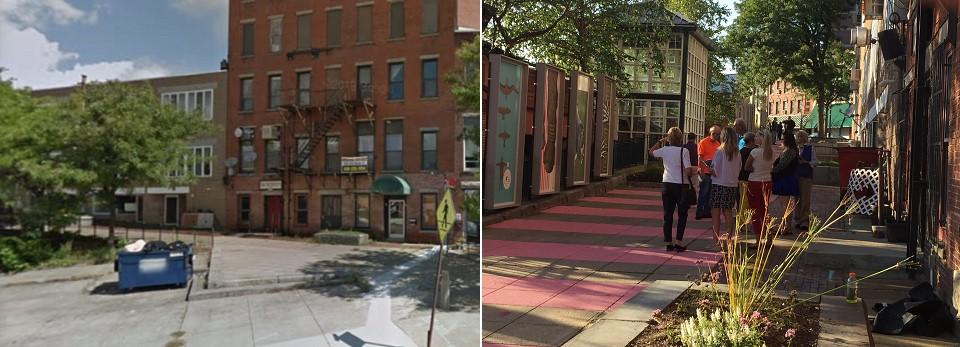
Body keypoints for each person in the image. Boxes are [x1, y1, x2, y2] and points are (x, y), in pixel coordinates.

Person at [649, 127, 697, 252]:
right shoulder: (684, 151)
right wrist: (693, 171)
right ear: (681, 138)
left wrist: (660, 141)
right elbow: (687, 170)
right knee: (682, 214)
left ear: (669, 139)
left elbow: (651, 152)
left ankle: (668, 242)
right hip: (681, 186)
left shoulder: (664, 150)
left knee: (667, 214)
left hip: (667, 184)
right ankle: (679, 241)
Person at [710, 127, 741, 246]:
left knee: (715, 214)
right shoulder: (737, 153)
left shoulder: (719, 151)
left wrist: (709, 169)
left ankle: (715, 241)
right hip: (731, 185)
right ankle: (729, 240)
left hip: (718, 184)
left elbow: (715, 170)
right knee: (728, 213)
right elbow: (739, 168)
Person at [744, 130, 775, 248]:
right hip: (767, 182)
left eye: (757, 136)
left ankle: (758, 240)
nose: (755, 138)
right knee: (765, 210)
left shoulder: (755, 152)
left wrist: (753, 169)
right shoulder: (771, 152)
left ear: (761, 138)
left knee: (755, 212)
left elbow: (747, 166)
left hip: (755, 182)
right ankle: (769, 238)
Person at [770, 132, 801, 235]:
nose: (781, 140)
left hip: (785, 179)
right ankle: (785, 226)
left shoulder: (789, 152)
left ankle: (784, 226)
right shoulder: (789, 151)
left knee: (785, 205)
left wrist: (771, 171)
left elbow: (781, 166)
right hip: (787, 178)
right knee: (786, 204)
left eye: (783, 139)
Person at [696, 126, 722, 220]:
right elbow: (700, 158)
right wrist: (701, 170)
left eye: (718, 134)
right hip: (705, 172)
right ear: (710, 133)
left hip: (713, 173)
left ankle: (706, 212)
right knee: (703, 192)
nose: (715, 136)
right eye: (714, 133)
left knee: (711, 194)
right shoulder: (703, 142)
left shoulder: (718, 144)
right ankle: (699, 212)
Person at [795, 130, 817, 231]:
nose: (798, 138)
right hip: (796, 176)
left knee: (805, 199)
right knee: (797, 199)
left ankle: (805, 220)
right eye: (797, 136)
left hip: (806, 176)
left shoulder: (810, 148)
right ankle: (797, 219)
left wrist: (806, 162)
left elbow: (815, 162)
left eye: (800, 136)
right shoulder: (794, 149)